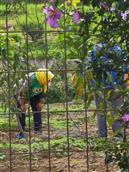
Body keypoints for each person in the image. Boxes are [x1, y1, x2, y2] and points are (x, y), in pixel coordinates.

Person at [88, 42, 126, 138]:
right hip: (116, 85)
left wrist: (92, 84)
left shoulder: (95, 48)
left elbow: (89, 67)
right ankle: (118, 137)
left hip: (99, 85)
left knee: (101, 112)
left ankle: (102, 136)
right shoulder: (118, 49)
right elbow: (124, 67)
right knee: (116, 111)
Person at [15, 68, 54, 139]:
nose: (49, 81)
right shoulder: (31, 80)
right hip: (22, 93)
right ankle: (22, 132)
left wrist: (41, 102)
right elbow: (22, 92)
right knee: (21, 111)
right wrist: (22, 104)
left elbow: (45, 93)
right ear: (43, 77)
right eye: (49, 79)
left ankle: (38, 130)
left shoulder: (45, 82)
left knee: (37, 109)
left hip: (34, 94)